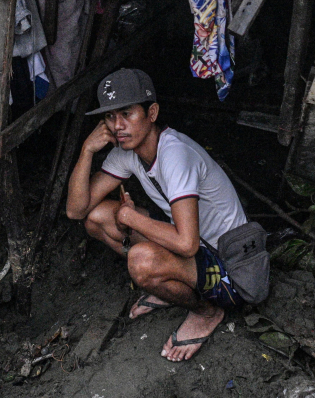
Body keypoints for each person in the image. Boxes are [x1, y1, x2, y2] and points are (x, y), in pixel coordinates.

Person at [65, 68, 249, 362]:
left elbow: (187, 244)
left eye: (127, 114)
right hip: (195, 247)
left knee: (141, 261)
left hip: (231, 268)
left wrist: (133, 219)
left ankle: (207, 312)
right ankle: (168, 285)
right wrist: (87, 150)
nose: (118, 126)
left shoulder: (174, 154)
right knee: (97, 217)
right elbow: (76, 210)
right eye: (110, 117)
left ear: (152, 113)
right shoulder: (127, 151)